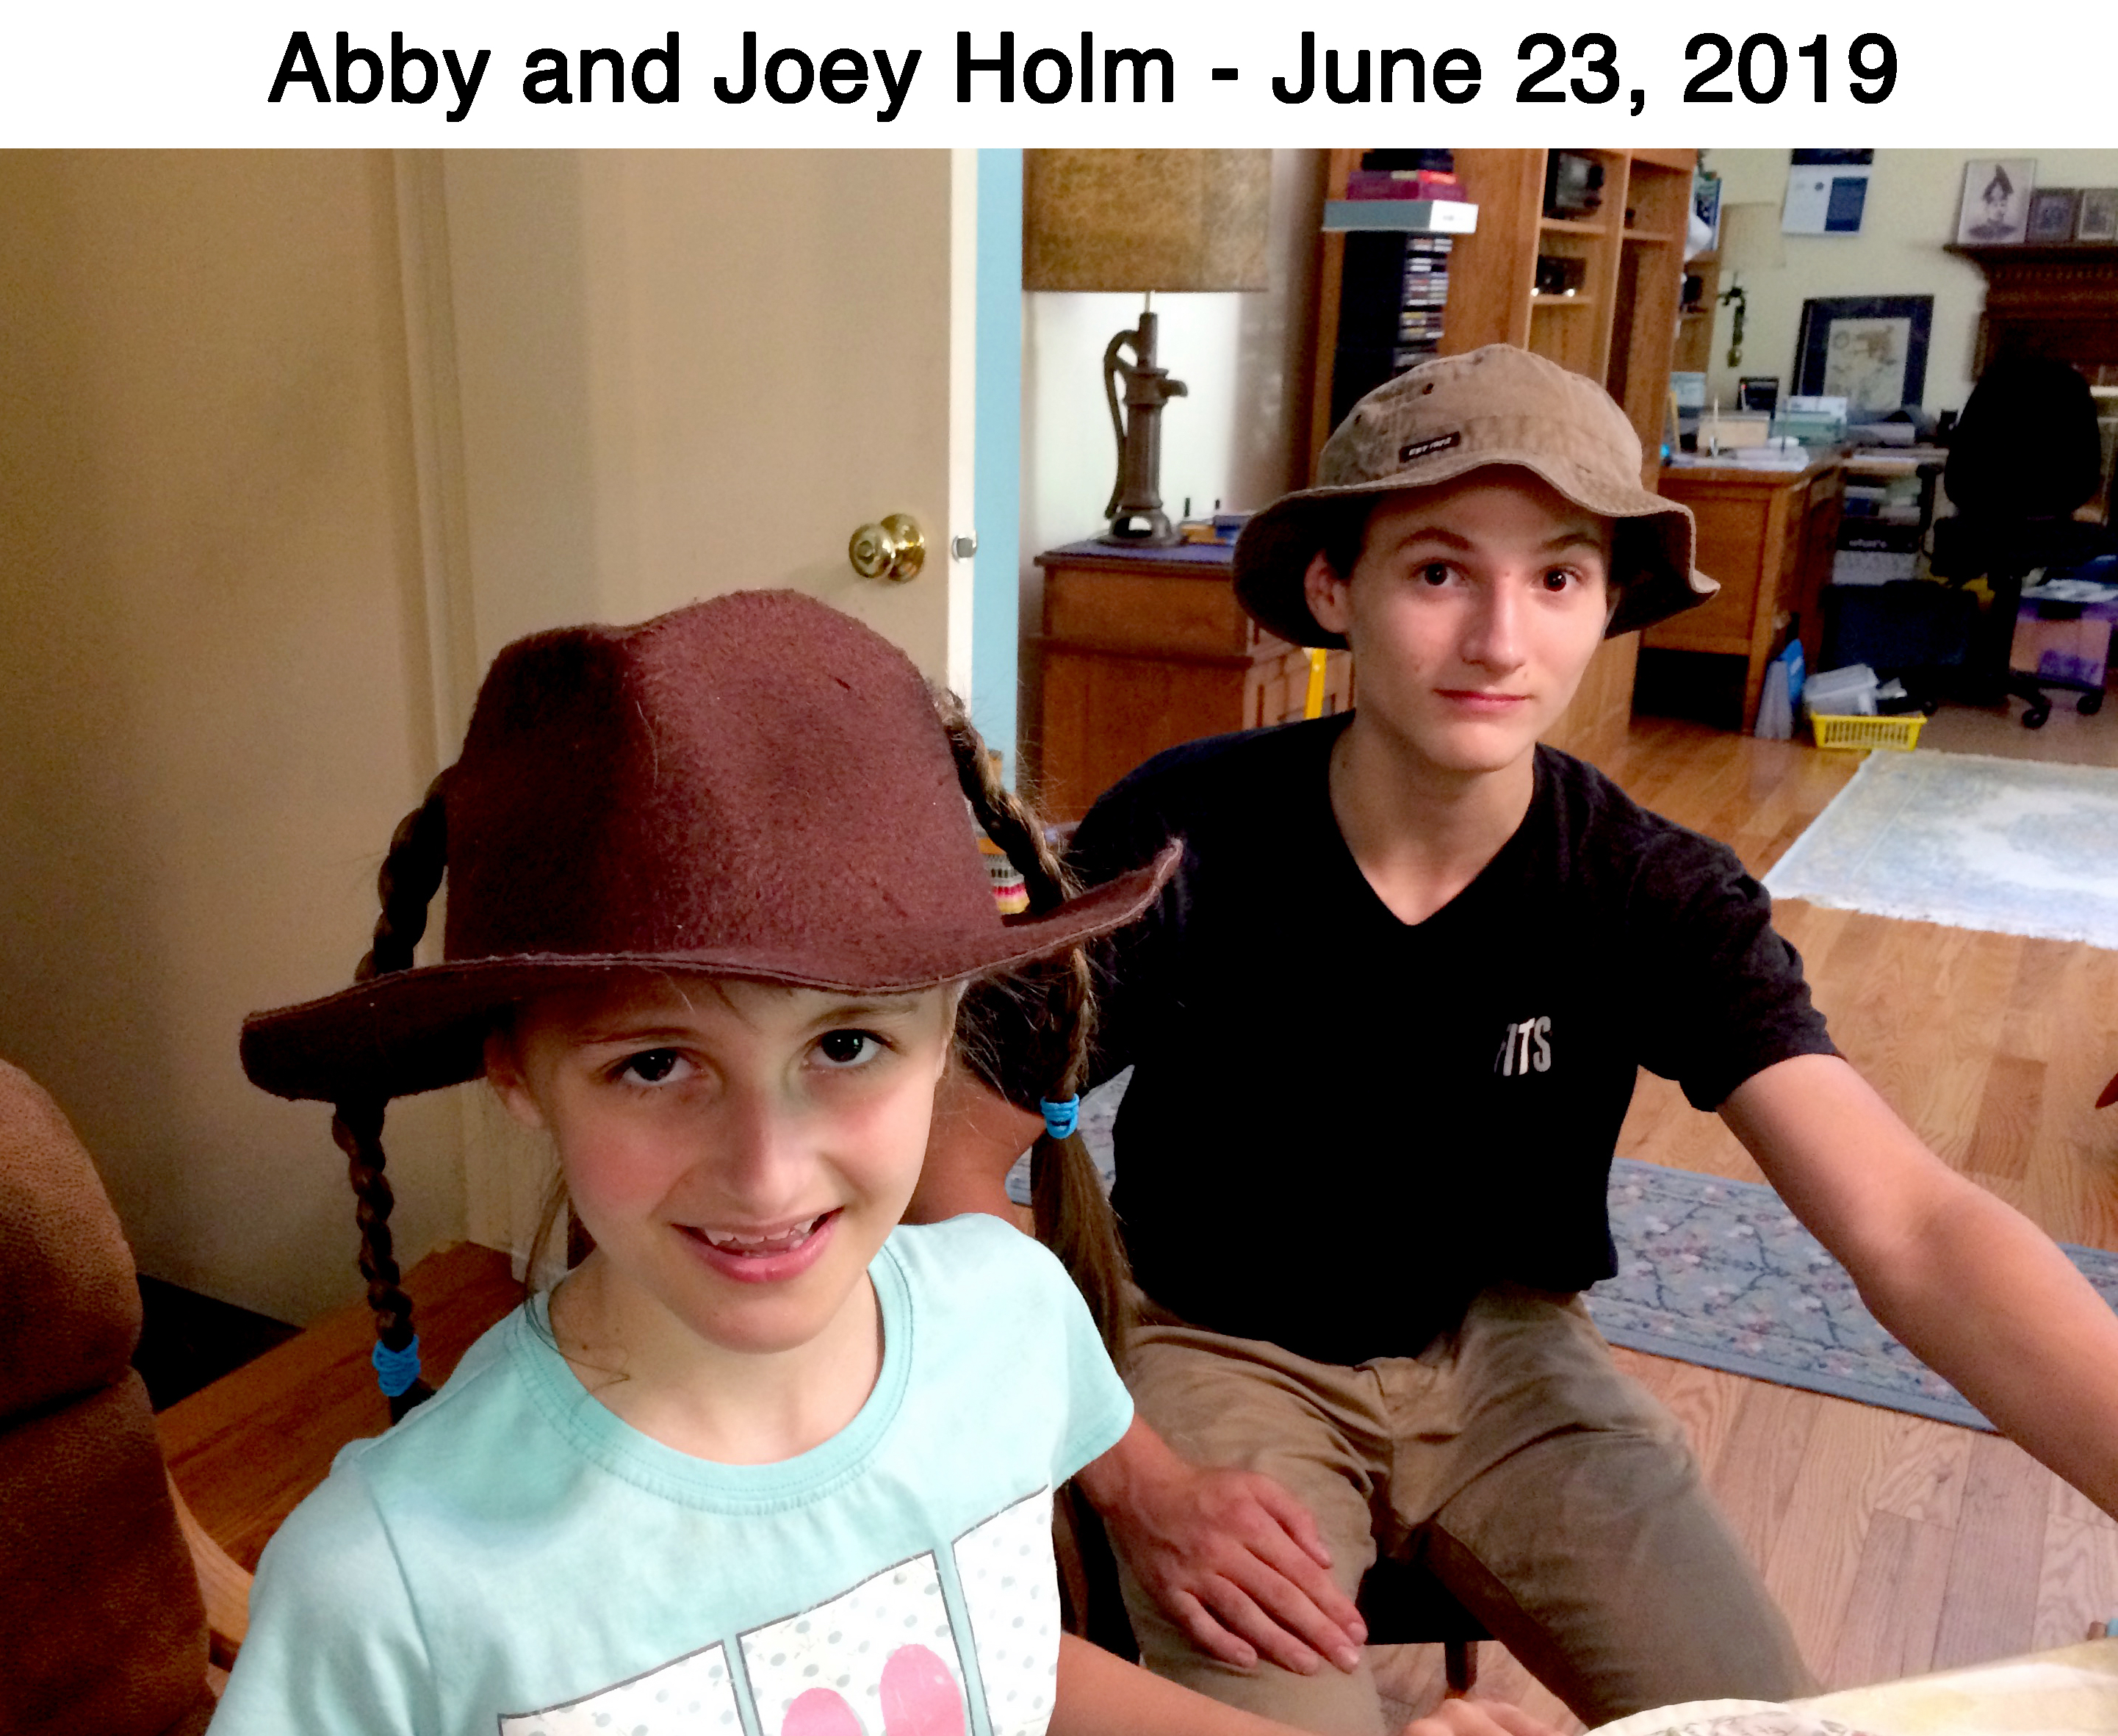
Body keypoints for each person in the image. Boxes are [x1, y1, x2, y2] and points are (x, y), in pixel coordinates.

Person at [916, 345, 2118, 1734]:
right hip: (1214, 1347)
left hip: (1512, 1358)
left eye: (1555, 578)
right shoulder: (1184, 840)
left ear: (1607, 605)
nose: (1499, 641)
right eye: (1438, 572)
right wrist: (1135, 1475)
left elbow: (1911, 1223)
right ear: (1334, 590)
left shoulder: (1647, 890)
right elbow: (953, 1179)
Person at [212, 590, 1551, 1736]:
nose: (766, 1167)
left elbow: (1000, 1659)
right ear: (516, 1073)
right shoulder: (387, 1578)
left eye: (844, 1046)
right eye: (656, 1065)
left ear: (950, 1031)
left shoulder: (1008, 1327)